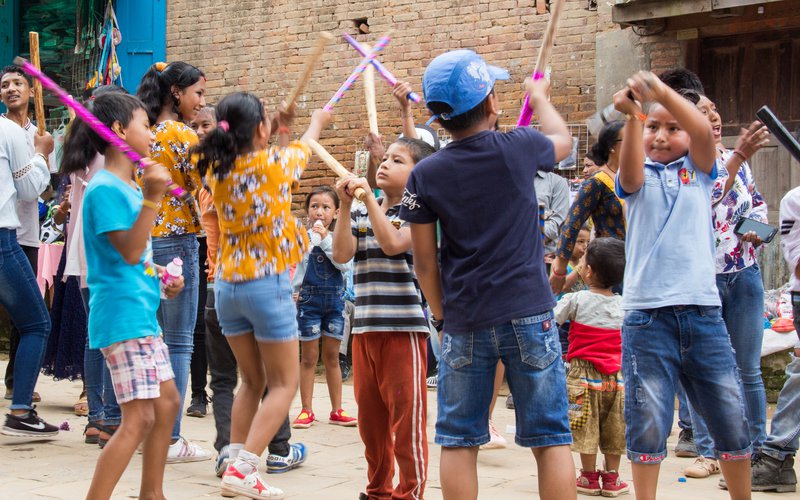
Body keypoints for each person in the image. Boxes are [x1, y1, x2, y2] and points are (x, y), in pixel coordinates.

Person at [400, 49, 575, 500]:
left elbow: (424, 262)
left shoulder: (426, 174)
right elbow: (562, 140)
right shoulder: (517, 146)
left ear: (438, 117)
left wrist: (442, 316)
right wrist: (540, 99)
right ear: (493, 103)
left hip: (466, 319)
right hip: (529, 313)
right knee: (550, 437)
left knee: (459, 439)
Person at [613, 70, 752, 500]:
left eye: (673, 128)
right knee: (649, 420)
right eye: (653, 127)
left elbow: (699, 129)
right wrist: (636, 113)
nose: (661, 135)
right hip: (647, 318)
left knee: (730, 414)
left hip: (703, 313)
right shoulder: (635, 180)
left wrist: (660, 94)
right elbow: (633, 168)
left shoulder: (703, 173)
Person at [193, 92, 329, 499]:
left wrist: (279, 130)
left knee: (250, 381)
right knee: (283, 384)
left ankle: (233, 460)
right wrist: (315, 120)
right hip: (266, 284)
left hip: (228, 286)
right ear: (260, 130)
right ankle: (247, 467)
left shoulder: (218, 171)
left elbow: (275, 179)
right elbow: (305, 145)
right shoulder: (274, 163)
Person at [73, 91, 184, 499]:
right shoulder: (105, 189)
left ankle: (151, 493)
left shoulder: (129, 188)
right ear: (120, 129)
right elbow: (130, 249)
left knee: (168, 402)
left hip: (140, 313)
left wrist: (161, 278)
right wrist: (155, 197)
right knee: (137, 419)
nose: (152, 134)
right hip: (121, 318)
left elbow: (135, 260)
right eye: (145, 125)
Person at [333, 135, 435, 500]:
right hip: (364, 330)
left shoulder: (422, 215)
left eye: (397, 160)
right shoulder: (363, 210)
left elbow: (393, 244)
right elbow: (342, 254)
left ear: (419, 174)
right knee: (370, 422)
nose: (386, 164)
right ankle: (377, 490)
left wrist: (368, 203)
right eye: (385, 158)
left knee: (406, 422)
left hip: (403, 331)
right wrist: (346, 207)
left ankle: (410, 493)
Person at [684, 94, 771, 480]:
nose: (715, 117)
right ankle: (709, 451)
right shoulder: (686, 165)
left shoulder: (739, 162)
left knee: (748, 369)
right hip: (703, 280)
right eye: (704, 113)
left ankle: (757, 448)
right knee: (707, 370)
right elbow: (710, 194)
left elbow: (755, 204)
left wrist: (757, 229)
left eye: (715, 110)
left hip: (744, 274)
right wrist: (735, 158)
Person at [135, 61, 211, 461]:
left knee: (155, 339)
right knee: (179, 342)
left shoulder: (143, 133)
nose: (202, 103)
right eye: (198, 93)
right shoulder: (182, 135)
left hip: (148, 241)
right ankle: (170, 437)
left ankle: (149, 431)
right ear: (177, 92)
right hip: (179, 243)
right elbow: (207, 187)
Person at [0, 93, 56, 438]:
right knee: (36, 323)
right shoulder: (7, 130)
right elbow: (29, 188)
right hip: (3, 238)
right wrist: (42, 154)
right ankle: (21, 410)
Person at [554, 238, 628, 497]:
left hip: (581, 376)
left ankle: (587, 476)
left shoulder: (576, 300)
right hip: (616, 378)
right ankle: (611, 478)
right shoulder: (624, 305)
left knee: (585, 424)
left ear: (588, 271)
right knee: (614, 426)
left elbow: (553, 318)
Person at [292, 186, 356, 429]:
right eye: (314, 207)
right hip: (308, 301)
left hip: (334, 302)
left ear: (337, 212)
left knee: (332, 357)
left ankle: (337, 409)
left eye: (326, 207)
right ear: (308, 211)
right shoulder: (303, 237)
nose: (319, 212)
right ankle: (306, 409)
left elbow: (344, 265)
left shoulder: (339, 238)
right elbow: (298, 267)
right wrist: (293, 293)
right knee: (308, 358)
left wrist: (326, 240)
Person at [550, 120, 626, 294]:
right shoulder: (597, 183)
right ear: (612, 147)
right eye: (629, 140)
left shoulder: (639, 178)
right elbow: (572, 224)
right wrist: (560, 268)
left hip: (641, 264)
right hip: (611, 268)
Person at [185, 105, 216, 419]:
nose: (199, 131)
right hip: (192, 244)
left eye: (205, 124)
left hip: (219, 249)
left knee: (216, 324)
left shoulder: (226, 163)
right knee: (195, 325)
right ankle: (197, 395)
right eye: (194, 126)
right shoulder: (186, 162)